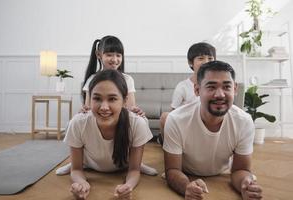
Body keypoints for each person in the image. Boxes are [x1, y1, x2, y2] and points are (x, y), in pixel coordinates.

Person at [56, 35, 157, 176]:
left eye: (118, 55)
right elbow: (89, 107)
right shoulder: (92, 79)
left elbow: (130, 106)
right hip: (98, 119)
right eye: (109, 54)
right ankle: (78, 162)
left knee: (141, 122)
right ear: (99, 55)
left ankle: (135, 163)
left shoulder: (127, 79)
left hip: (119, 118)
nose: (114, 59)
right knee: (74, 123)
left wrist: (136, 112)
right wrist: (84, 111)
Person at [163, 61, 262, 200]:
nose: (220, 94)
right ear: (197, 90)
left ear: (235, 89)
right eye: (211, 87)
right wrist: (186, 187)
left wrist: (244, 185)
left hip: (222, 174)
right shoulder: (176, 120)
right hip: (186, 174)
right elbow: (172, 170)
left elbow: (240, 170)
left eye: (227, 87)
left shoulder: (243, 121)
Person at [65, 69, 154, 199]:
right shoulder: (78, 123)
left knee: (136, 164)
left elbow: (134, 170)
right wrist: (81, 183)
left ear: (124, 100)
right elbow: (76, 170)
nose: (104, 107)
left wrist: (128, 186)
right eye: (97, 98)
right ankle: (87, 162)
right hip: (91, 165)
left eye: (112, 99)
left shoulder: (137, 123)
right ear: (90, 99)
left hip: (124, 165)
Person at [158, 42, 216, 144]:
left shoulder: (218, 85)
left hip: (209, 124)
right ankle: (166, 143)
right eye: (201, 58)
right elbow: (173, 112)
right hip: (187, 124)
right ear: (191, 63)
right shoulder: (183, 86)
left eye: (210, 58)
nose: (206, 62)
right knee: (165, 116)